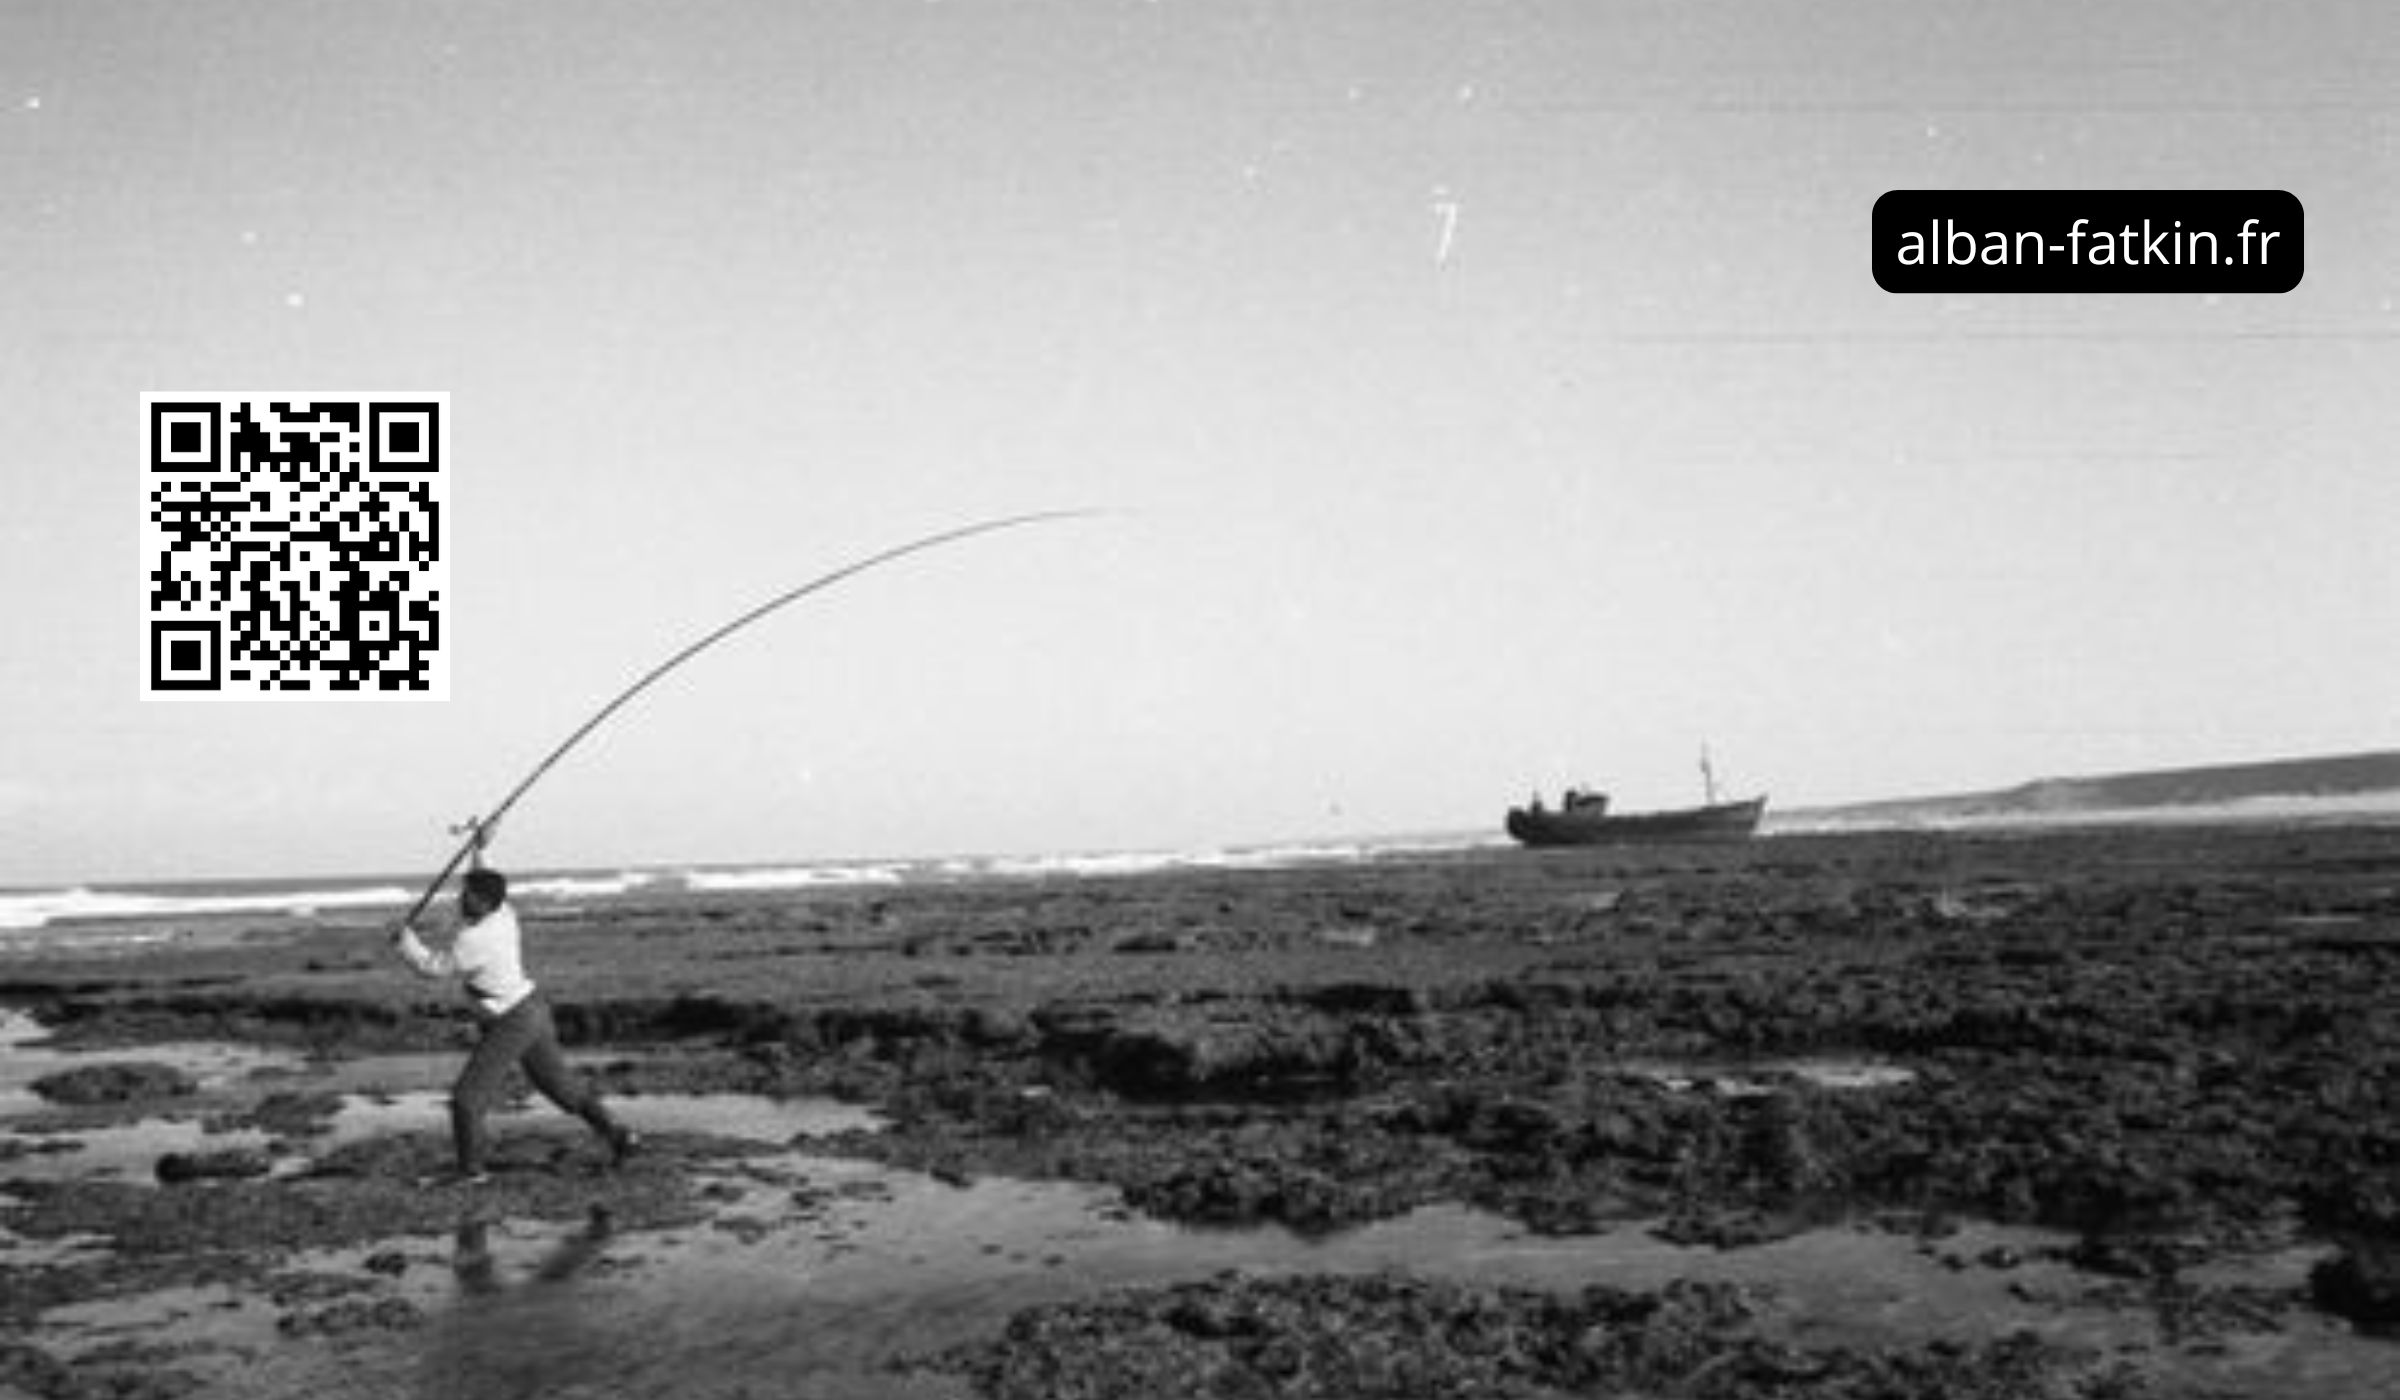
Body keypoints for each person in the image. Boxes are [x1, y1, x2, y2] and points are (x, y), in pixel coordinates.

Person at [389, 836, 636, 1184]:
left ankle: (471, 1173)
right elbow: (483, 875)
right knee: (561, 1089)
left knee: (466, 1099)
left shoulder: (474, 940)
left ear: (483, 902)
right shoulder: (504, 913)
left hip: (513, 1021)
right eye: (464, 892)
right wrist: (480, 846)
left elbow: (433, 968)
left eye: (468, 895)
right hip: (531, 1011)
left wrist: (406, 944)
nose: (461, 899)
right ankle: (619, 1134)